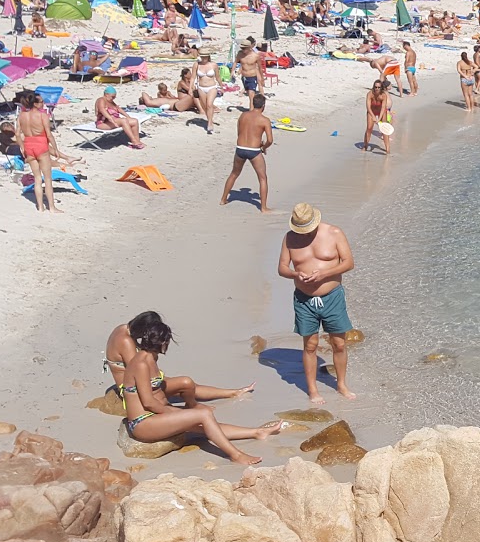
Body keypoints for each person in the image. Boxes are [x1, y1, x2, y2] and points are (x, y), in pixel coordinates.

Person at [113, 312, 283, 465]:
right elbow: (149, 402)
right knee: (203, 414)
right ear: (162, 342)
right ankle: (236, 455)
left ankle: (257, 432)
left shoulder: (151, 356)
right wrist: (178, 413)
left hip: (155, 416)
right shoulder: (141, 363)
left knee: (207, 424)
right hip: (143, 423)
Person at [278, 203, 357, 405]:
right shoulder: (289, 238)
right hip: (304, 299)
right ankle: (312, 390)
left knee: (339, 343)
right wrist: (296, 274)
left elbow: (348, 262)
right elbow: (282, 268)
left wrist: (324, 273)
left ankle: (341, 384)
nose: (303, 233)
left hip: (332, 296)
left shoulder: (334, 232)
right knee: (310, 345)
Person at [102, 311, 254, 408]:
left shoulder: (123, 328)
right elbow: (138, 370)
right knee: (186, 384)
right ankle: (227, 394)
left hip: (138, 381)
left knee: (187, 384)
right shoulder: (126, 342)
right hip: (132, 389)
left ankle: (230, 392)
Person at [221, 94, 274, 211]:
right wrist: (263, 147)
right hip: (254, 150)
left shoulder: (243, 115)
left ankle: (223, 199)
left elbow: (240, 132)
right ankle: (264, 208)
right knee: (262, 178)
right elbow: (270, 140)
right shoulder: (264, 120)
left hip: (240, 148)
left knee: (234, 173)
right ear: (263, 106)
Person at [16, 89, 61, 213]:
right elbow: (49, 134)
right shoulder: (42, 115)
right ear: (35, 103)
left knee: (37, 178)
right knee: (47, 179)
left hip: (29, 145)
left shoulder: (22, 115)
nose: (43, 104)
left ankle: (40, 207)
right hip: (41, 145)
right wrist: (56, 149)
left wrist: (22, 147)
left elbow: (17, 134)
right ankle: (51, 207)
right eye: (41, 102)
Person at [194, 51, 222, 134]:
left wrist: (221, 86)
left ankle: (209, 123)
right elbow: (193, 77)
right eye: (202, 57)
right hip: (201, 87)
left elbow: (218, 77)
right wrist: (191, 87)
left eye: (205, 57)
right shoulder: (197, 65)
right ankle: (210, 120)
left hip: (212, 87)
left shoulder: (213, 65)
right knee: (205, 106)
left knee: (209, 104)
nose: (204, 58)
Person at [365, 79, 393, 154]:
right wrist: (373, 117)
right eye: (375, 87)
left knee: (385, 130)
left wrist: (379, 119)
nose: (377, 89)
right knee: (369, 128)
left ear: (381, 88)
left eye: (378, 87)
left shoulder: (383, 95)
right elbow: (368, 107)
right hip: (372, 111)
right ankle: (365, 147)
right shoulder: (370, 94)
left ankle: (387, 150)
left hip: (381, 111)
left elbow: (384, 107)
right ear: (373, 87)